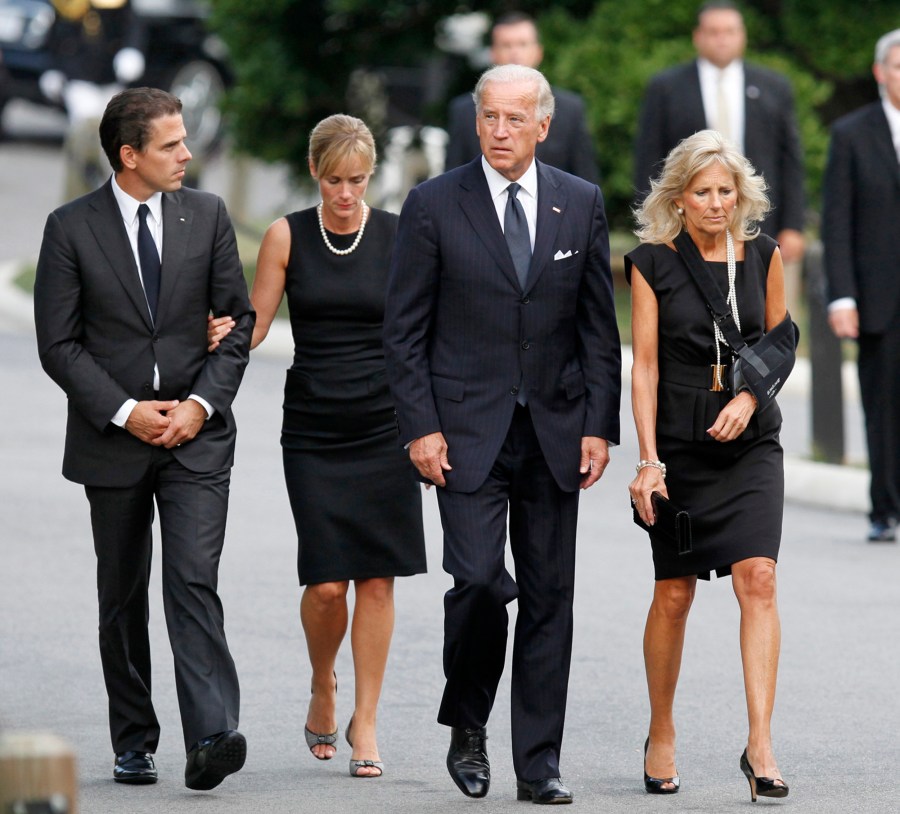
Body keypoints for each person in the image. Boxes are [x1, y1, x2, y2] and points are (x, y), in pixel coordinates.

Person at [384, 64, 621, 804]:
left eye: (515, 119)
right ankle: (469, 724)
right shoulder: (431, 205)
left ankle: (539, 764)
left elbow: (598, 329)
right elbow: (404, 332)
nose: (499, 131)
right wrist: (420, 427)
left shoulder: (578, 204)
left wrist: (599, 428)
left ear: (543, 127)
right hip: (464, 433)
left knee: (550, 596)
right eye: (489, 117)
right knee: (480, 582)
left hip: (554, 430)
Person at [34, 87, 254, 789]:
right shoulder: (70, 228)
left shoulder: (209, 215)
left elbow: (238, 323)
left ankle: (212, 735)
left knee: (192, 576)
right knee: (123, 593)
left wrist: (199, 404)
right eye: (170, 145)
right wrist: (127, 411)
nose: (187, 154)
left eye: (185, 141)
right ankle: (135, 738)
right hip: (114, 438)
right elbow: (58, 345)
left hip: (197, 435)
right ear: (129, 156)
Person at [208, 114, 427, 778]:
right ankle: (322, 681)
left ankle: (366, 719)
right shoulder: (286, 236)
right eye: (334, 180)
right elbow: (256, 322)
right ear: (315, 174)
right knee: (329, 584)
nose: (345, 194)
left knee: (378, 579)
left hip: (385, 423)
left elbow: (419, 335)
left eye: (358, 180)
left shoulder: (397, 236)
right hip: (314, 427)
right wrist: (213, 336)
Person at [626, 129, 789, 801]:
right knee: (675, 592)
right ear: (679, 196)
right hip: (681, 444)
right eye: (703, 192)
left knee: (759, 577)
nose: (717, 203)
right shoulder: (651, 263)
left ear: (740, 193)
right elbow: (646, 369)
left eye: (726, 191)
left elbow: (782, 342)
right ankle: (661, 729)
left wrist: (750, 398)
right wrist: (647, 461)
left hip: (750, 441)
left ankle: (760, 744)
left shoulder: (766, 255)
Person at [633, 2, 805, 275]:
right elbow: (649, 159)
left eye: (730, 31)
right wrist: (657, 222)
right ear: (697, 36)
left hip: (761, 223)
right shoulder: (666, 88)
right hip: (687, 226)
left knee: (764, 310)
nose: (722, 39)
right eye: (713, 32)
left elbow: (790, 160)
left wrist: (794, 225)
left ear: (743, 35)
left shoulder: (774, 87)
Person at [822, 30, 900, 543]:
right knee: (884, 406)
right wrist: (842, 295)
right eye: (898, 66)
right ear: (880, 72)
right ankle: (884, 506)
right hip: (879, 297)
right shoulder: (851, 134)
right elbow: (837, 220)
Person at [444, 11, 598, 183]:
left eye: (522, 44)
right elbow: (452, 178)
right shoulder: (465, 110)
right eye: (507, 45)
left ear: (538, 51)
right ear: (493, 52)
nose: (515, 53)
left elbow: (585, 177)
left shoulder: (570, 108)